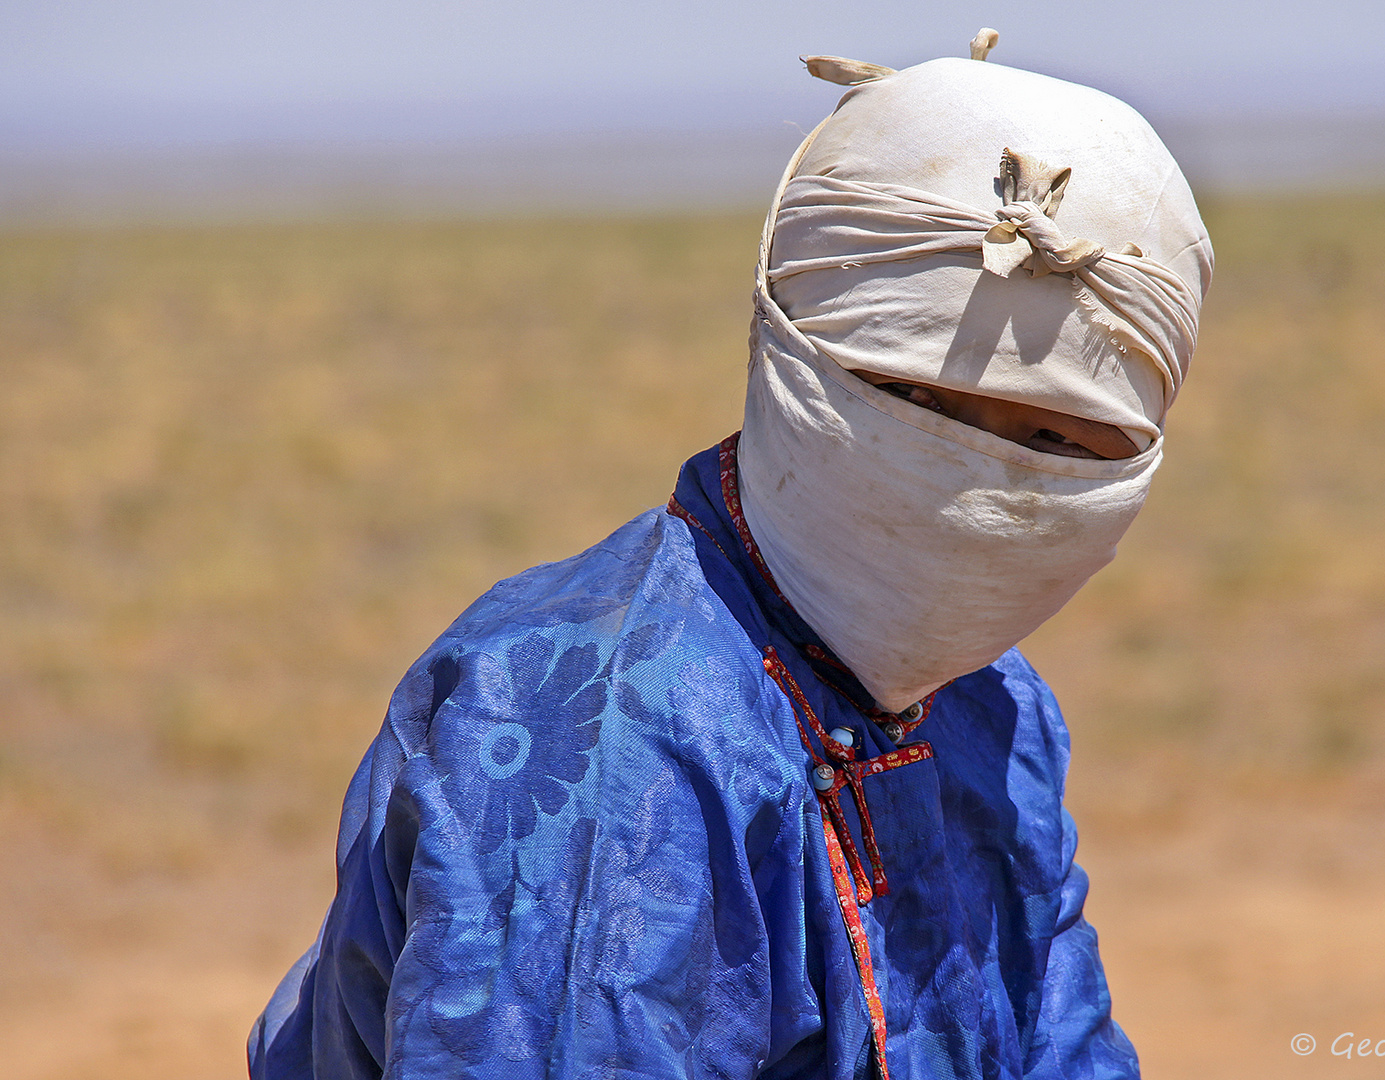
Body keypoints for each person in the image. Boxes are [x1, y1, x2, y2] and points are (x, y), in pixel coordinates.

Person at [249, 29, 1210, 1080]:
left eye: (1049, 441)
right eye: (918, 406)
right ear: (796, 353)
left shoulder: (993, 708)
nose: (972, 482)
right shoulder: (606, 735)